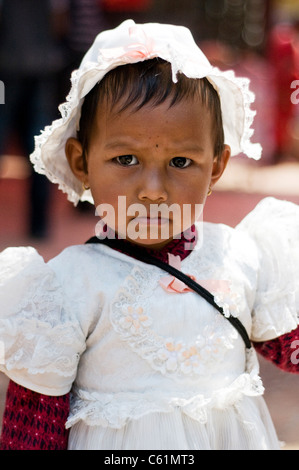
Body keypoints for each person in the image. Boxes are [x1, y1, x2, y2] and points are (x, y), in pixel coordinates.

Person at [0, 20, 299, 451]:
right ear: (81, 162)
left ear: (215, 166)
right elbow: (32, 428)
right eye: (125, 159)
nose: (152, 190)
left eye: (181, 162)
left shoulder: (242, 257)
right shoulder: (63, 288)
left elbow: (288, 346)